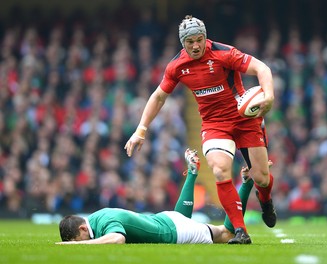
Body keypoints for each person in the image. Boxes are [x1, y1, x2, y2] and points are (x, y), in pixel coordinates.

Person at [124, 15, 277, 244]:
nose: (196, 46)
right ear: (182, 43)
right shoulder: (177, 66)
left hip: (244, 119)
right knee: (219, 170)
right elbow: (158, 97)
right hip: (214, 124)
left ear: (205, 37)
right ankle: (240, 231)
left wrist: (269, 96)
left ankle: (265, 200)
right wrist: (141, 130)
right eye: (190, 42)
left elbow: (261, 68)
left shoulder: (224, 53)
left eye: (199, 40)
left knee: (262, 178)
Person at [56, 149, 265, 244]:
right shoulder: (96, 217)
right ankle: (192, 173)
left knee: (227, 234)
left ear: (83, 228)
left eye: (79, 237)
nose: (83, 240)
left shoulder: (105, 223)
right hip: (166, 218)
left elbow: (118, 239)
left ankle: (246, 183)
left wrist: (80, 244)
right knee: (183, 217)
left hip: (174, 233)